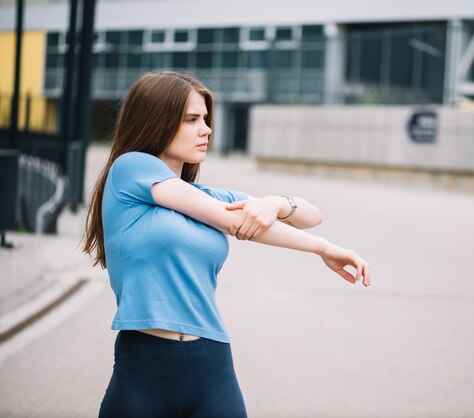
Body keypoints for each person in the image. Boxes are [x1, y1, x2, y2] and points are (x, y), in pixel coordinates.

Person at [83, 71, 371, 418]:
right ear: (155, 121)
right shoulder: (130, 169)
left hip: (212, 363)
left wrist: (299, 224)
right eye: (191, 120)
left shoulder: (207, 197)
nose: (206, 129)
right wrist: (265, 210)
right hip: (145, 366)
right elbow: (235, 222)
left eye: (205, 119)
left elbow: (312, 215)